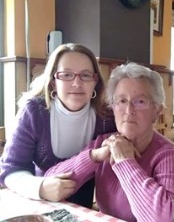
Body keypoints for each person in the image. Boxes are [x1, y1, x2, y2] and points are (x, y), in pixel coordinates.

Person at [45, 62, 174, 222]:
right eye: (122, 101)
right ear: (113, 107)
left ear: (157, 111)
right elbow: (51, 179)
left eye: (140, 102)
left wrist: (125, 161)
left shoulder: (169, 155)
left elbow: (165, 219)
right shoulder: (103, 143)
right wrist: (95, 157)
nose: (129, 110)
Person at [0, 43, 116, 208]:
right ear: (53, 81)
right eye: (67, 75)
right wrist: (40, 187)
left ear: (95, 81)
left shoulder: (107, 117)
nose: (77, 83)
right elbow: (10, 169)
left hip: (86, 210)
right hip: (39, 206)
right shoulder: (34, 112)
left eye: (86, 75)